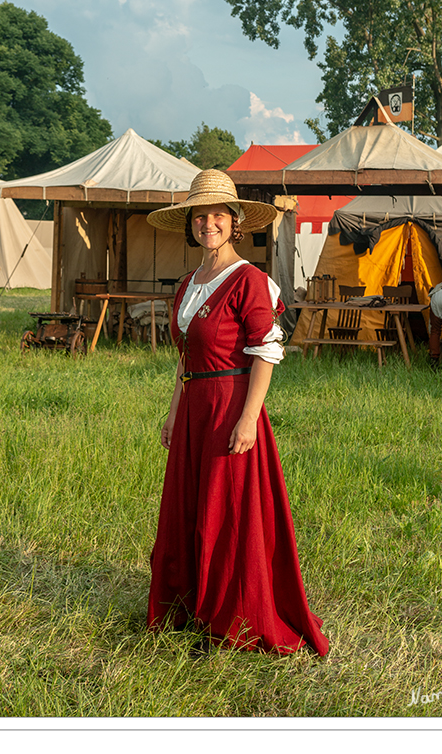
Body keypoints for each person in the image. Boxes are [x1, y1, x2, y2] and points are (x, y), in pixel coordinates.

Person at [145, 169, 329, 657]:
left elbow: (265, 352)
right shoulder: (188, 283)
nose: (209, 223)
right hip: (192, 412)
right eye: (200, 216)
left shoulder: (251, 280)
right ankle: (191, 602)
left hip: (230, 409)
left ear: (235, 221)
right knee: (192, 506)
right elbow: (186, 357)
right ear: (191, 223)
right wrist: (172, 412)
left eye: (218, 215)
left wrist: (249, 418)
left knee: (225, 514)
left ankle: (230, 615)